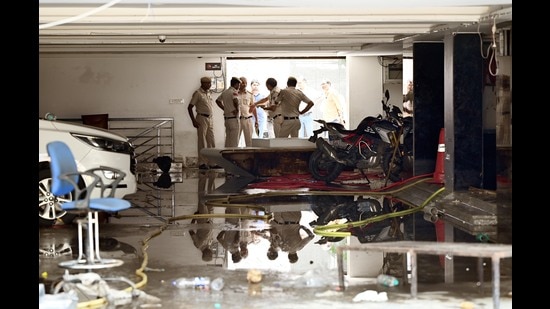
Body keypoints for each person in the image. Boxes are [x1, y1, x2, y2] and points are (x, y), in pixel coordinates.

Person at [187, 76, 217, 170]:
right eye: (208, 83)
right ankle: (202, 162)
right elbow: (189, 107)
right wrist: (193, 120)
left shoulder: (209, 93)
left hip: (210, 119)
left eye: (210, 83)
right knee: (202, 141)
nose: (209, 85)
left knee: (211, 141)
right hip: (201, 118)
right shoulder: (198, 93)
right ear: (202, 83)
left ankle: (212, 162)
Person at [188, 170, 217, 262]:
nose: (212, 252)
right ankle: (212, 176)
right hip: (210, 219)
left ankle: (202, 176)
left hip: (202, 220)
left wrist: (194, 217)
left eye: (211, 254)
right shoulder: (209, 244)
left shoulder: (198, 245)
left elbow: (191, 231)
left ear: (206, 254)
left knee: (202, 199)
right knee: (212, 199)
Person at [216, 77, 241, 147]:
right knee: (234, 141)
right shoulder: (234, 92)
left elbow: (217, 101)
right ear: (236, 84)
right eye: (238, 85)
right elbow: (235, 100)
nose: (239, 87)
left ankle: (226, 156)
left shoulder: (225, 92)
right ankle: (234, 156)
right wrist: (237, 109)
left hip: (227, 119)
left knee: (228, 139)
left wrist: (225, 109)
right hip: (233, 119)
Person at [237, 76, 258, 147]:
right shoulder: (234, 94)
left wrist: (256, 120)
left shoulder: (250, 94)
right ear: (239, 83)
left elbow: (253, 107)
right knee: (235, 141)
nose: (244, 84)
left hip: (248, 119)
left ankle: (250, 157)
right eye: (242, 83)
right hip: (237, 120)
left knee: (249, 142)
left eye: (245, 83)